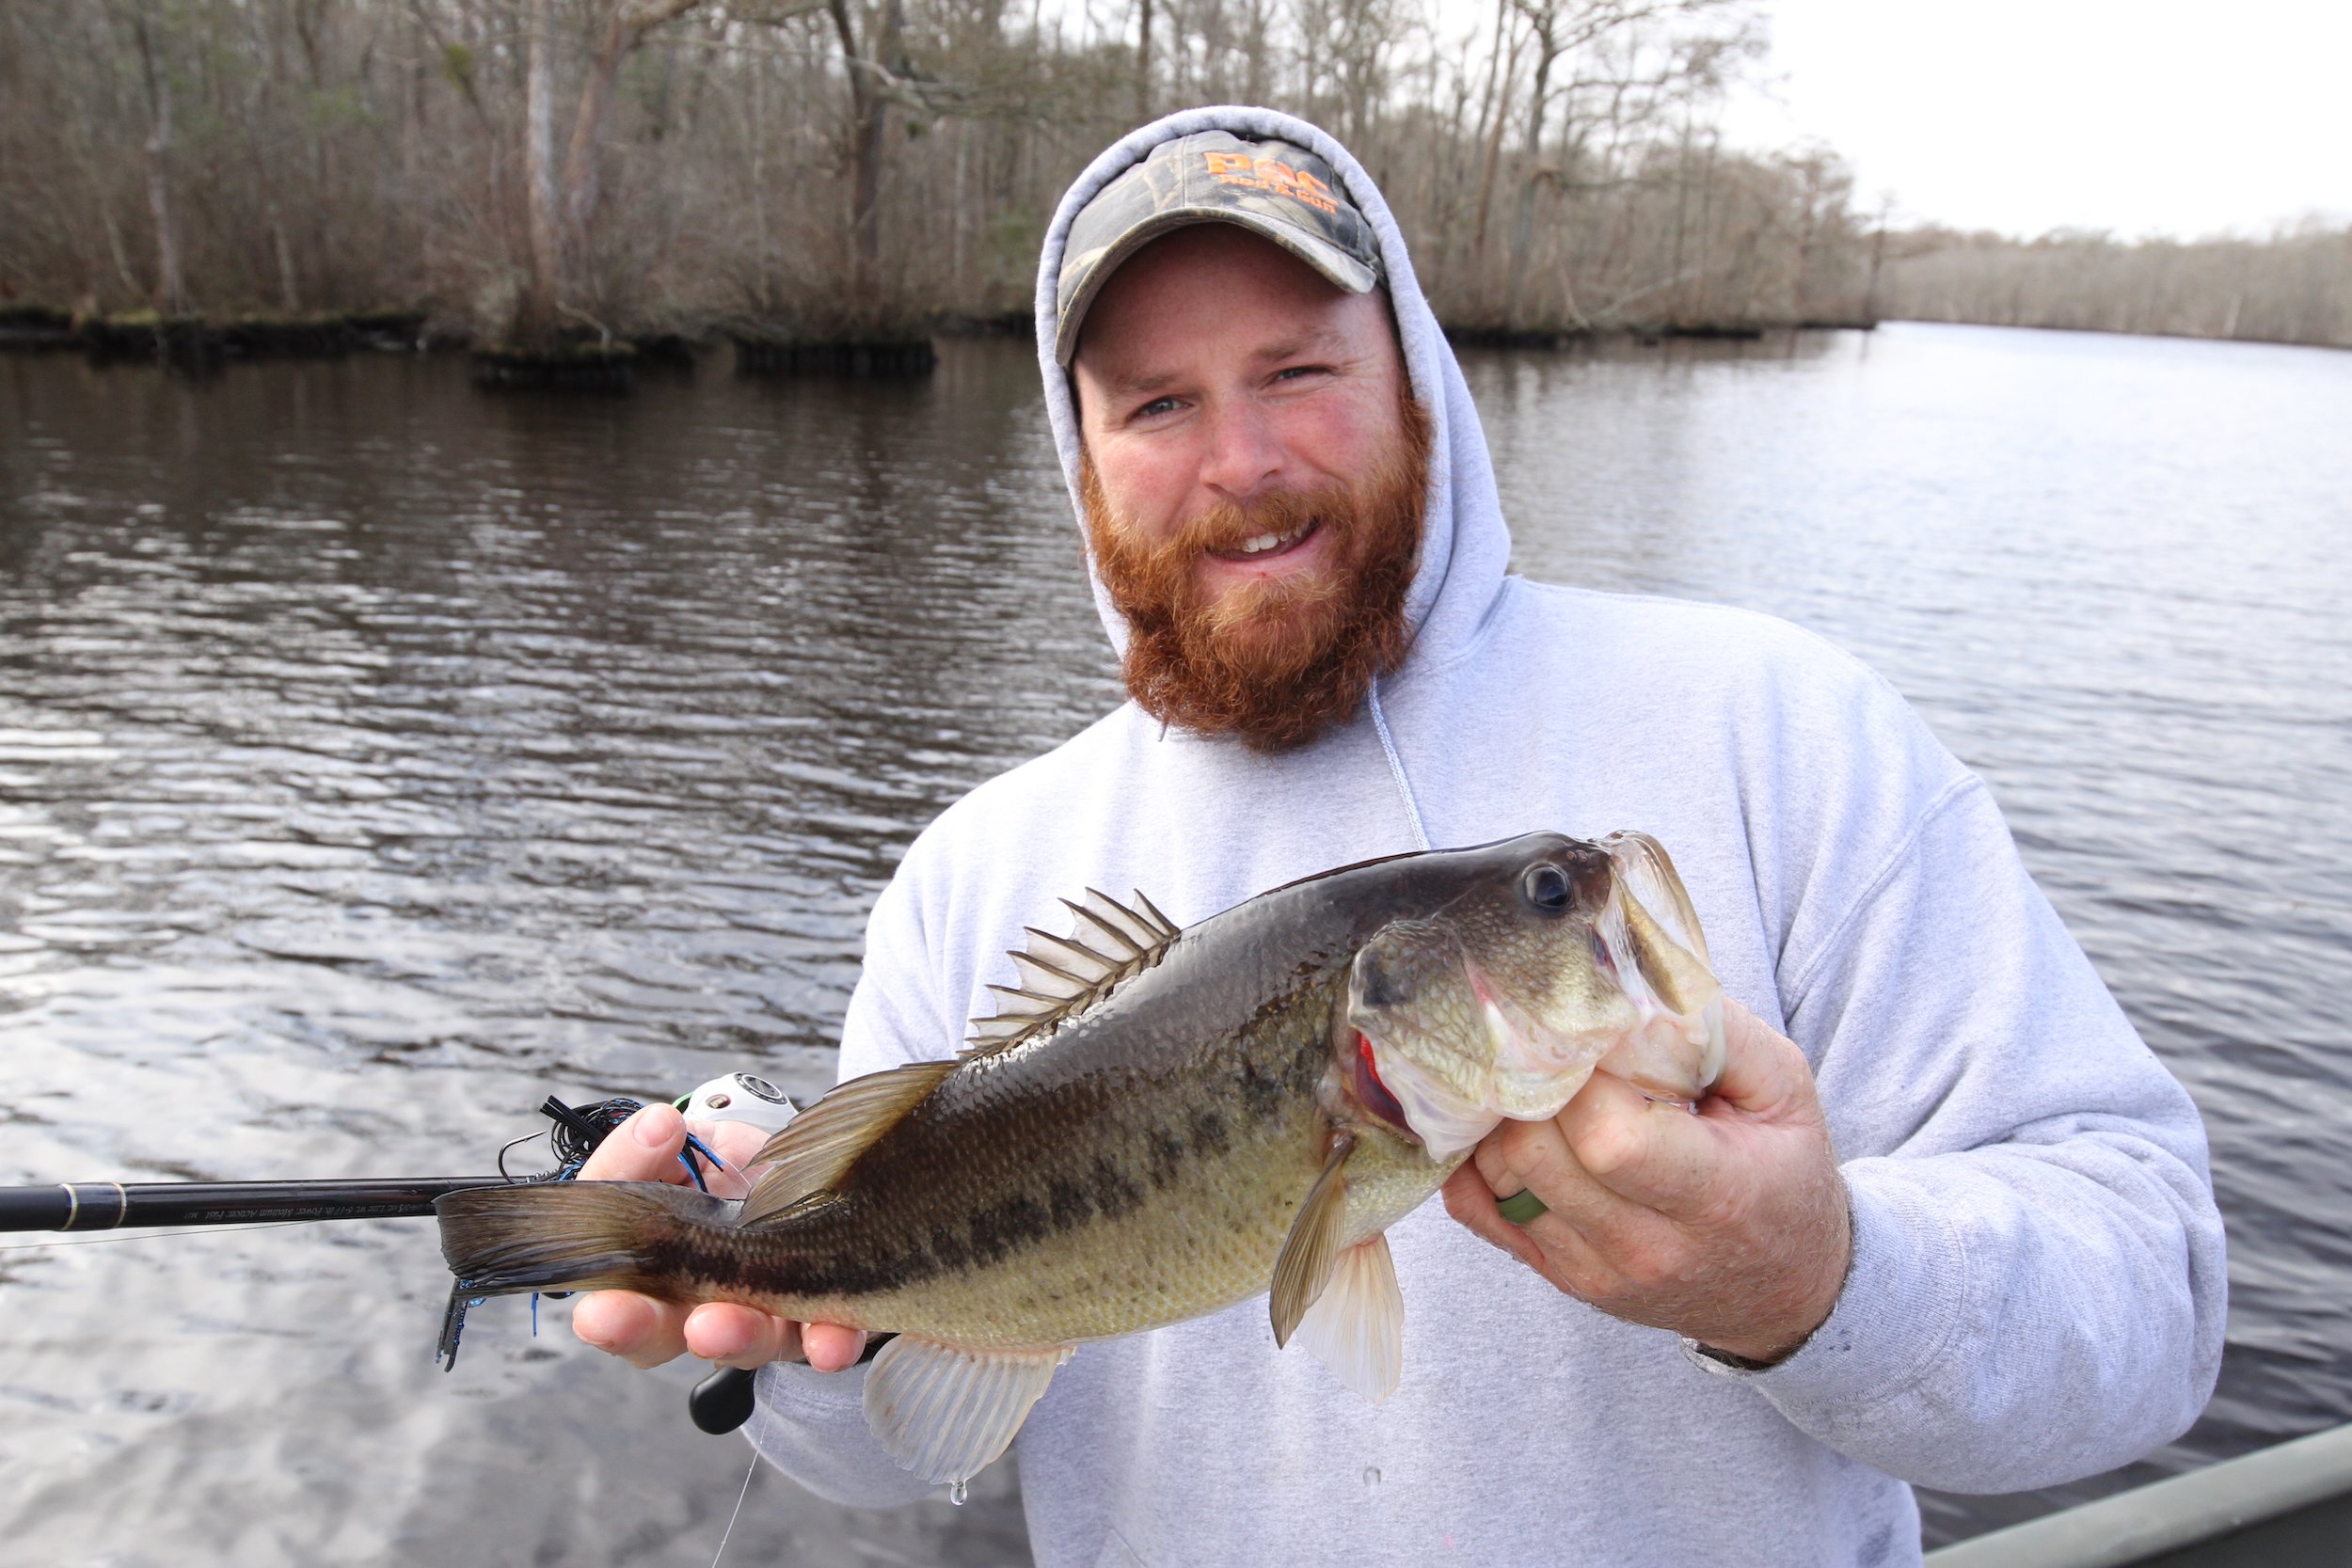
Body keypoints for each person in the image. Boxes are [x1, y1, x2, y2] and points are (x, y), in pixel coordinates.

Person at [572, 108, 2226, 1566]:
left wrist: (1816, 1281)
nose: (1242, 462)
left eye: (1300, 368)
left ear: (1417, 378)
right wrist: (760, 1325)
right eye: (1156, 403)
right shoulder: (979, 873)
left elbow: (2155, 1305)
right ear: (1080, 457)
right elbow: (906, 1442)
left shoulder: (1778, 728)